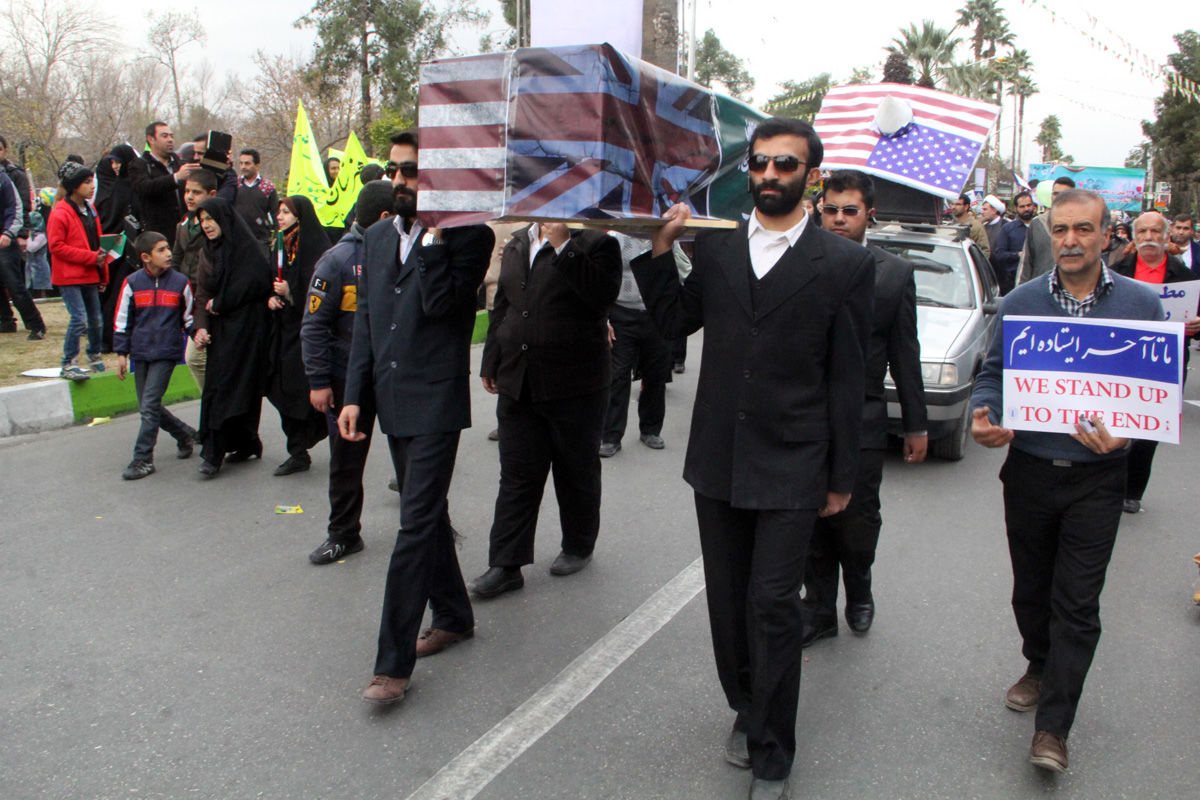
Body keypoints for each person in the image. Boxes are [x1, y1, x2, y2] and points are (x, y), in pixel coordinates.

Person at [632, 117, 875, 800]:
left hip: (795, 463)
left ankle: (774, 753)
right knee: (730, 605)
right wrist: (658, 255)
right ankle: (746, 706)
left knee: (773, 605)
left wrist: (839, 478)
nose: (770, 176)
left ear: (811, 176)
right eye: (762, 164)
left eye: (786, 166)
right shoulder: (716, 249)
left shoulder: (845, 265)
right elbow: (675, 325)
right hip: (718, 458)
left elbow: (847, 379)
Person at [970, 189, 1164, 774]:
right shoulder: (1022, 301)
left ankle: (1053, 728)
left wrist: (1127, 437)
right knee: (1031, 591)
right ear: (1049, 234)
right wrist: (983, 415)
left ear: (1109, 236)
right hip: (1028, 471)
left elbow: (1155, 390)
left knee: (1077, 603)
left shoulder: (1140, 306)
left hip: (1098, 480)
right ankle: (1038, 661)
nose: (1071, 241)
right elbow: (994, 374)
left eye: (1084, 230)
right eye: (1061, 230)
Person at [337, 131, 494, 703]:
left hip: (436, 401)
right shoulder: (376, 237)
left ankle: (393, 665)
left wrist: (431, 240)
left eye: (415, 175)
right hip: (391, 396)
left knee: (413, 524)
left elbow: (445, 308)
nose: (402, 183)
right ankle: (453, 613)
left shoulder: (469, 236)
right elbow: (370, 325)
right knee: (422, 513)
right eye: (398, 172)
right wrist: (355, 394)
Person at [802, 170, 927, 647]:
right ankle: (817, 608)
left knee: (857, 518)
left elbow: (905, 353)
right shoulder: (801, 263)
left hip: (864, 417)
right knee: (811, 516)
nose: (838, 219)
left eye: (849, 211)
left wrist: (915, 423)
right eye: (830, 210)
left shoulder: (893, 273)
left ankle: (859, 590)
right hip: (806, 415)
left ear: (868, 215)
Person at [469, 222, 621, 598]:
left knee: (576, 469)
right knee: (517, 473)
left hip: (577, 383)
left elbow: (600, 296)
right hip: (519, 381)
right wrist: (491, 360)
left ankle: (578, 545)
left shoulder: (597, 243)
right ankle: (506, 564)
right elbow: (503, 304)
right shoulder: (519, 241)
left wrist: (563, 244)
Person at [300, 180, 395, 565]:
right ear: (385, 218)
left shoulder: (396, 252)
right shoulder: (336, 261)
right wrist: (319, 382)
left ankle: (429, 524)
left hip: (390, 374)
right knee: (346, 460)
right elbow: (313, 326)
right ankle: (343, 532)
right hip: (344, 380)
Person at [1108, 211, 1198, 513]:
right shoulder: (1116, 272)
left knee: (1149, 427)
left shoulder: (1187, 277)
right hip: (1121, 357)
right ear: (1134, 237)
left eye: (1155, 231)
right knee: (1115, 419)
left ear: (1166, 235)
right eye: (1142, 231)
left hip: (1165, 361)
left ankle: (1133, 490)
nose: (1149, 237)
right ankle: (1108, 483)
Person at [193, 197, 274, 478]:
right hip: (220, 331)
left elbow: (256, 282)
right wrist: (200, 326)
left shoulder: (245, 249)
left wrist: (222, 302)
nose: (207, 225)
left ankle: (215, 454)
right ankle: (246, 442)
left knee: (234, 388)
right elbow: (202, 291)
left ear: (224, 220)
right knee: (218, 387)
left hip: (247, 330)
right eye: (202, 221)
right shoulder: (209, 251)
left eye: (211, 219)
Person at [112, 232, 199, 480]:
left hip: (166, 351)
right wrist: (121, 353)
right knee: (148, 406)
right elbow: (122, 320)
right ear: (146, 257)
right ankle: (184, 434)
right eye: (161, 250)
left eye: (168, 248)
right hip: (140, 352)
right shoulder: (132, 283)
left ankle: (142, 459)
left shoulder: (180, 282)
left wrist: (199, 336)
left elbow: (189, 318)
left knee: (149, 405)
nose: (169, 253)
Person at [599, 231, 689, 457]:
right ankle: (610, 436)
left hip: (656, 316)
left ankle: (650, 430)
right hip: (622, 314)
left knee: (656, 375)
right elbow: (602, 279)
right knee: (618, 376)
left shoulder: (664, 238)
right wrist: (604, 319)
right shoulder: (616, 238)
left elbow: (684, 270)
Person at [268, 196, 331, 476]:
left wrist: (291, 292)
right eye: (278, 212)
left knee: (303, 388)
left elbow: (319, 290)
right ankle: (297, 449)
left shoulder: (315, 247)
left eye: (285, 212)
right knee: (280, 387)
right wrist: (273, 297)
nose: (279, 217)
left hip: (307, 331)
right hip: (282, 328)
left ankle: (308, 440)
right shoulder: (279, 245)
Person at [47, 162, 108, 381]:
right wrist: (91, 257)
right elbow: (56, 246)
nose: (92, 186)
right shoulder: (60, 213)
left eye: (92, 181)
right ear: (73, 186)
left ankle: (95, 355)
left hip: (90, 273)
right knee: (79, 318)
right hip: (69, 276)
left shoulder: (90, 210)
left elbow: (97, 242)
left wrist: (103, 271)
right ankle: (69, 362)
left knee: (96, 319)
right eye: (86, 182)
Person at [175, 169, 219, 390]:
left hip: (213, 299)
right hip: (192, 296)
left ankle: (216, 404)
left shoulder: (220, 225)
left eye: (196, 192)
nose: (189, 197)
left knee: (197, 357)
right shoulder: (183, 224)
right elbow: (176, 258)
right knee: (196, 358)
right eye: (186, 191)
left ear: (211, 194)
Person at [96, 144, 141, 354]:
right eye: (112, 162)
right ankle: (109, 338)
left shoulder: (131, 186)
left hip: (122, 250)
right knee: (114, 294)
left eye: (118, 162)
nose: (115, 166)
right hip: (116, 249)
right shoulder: (117, 188)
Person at [128, 121, 194, 246]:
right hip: (158, 236)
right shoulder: (140, 164)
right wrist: (175, 178)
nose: (170, 140)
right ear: (151, 139)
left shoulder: (179, 163)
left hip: (185, 233)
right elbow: (144, 187)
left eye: (171, 136)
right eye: (164, 136)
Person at [0, 165, 45, 339]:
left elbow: (15, 208)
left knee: (14, 284)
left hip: (4, 239)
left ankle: (36, 325)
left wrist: (9, 233)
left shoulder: (4, 180)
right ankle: (6, 320)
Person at [1017, 176, 1076, 285]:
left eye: (1064, 194)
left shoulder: (1082, 228)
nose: (1058, 197)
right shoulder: (1037, 224)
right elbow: (1025, 264)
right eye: (1055, 194)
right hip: (1040, 293)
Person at [233, 148, 278, 254]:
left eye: (247, 163)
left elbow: (276, 213)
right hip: (237, 240)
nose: (243, 167)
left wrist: (277, 236)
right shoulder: (234, 185)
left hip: (260, 240)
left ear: (257, 165)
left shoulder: (268, 187)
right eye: (241, 163)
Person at [993, 191, 1035, 294]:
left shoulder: (1041, 226)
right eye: (1022, 206)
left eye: (1029, 205)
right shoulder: (1008, 229)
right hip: (1012, 282)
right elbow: (999, 254)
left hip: (1036, 281)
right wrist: (1018, 255)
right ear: (1016, 208)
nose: (1026, 209)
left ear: (1033, 206)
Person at [949, 193, 991, 257]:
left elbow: (985, 251)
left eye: (958, 204)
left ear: (966, 207)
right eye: (952, 204)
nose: (953, 207)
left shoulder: (976, 226)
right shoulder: (948, 226)